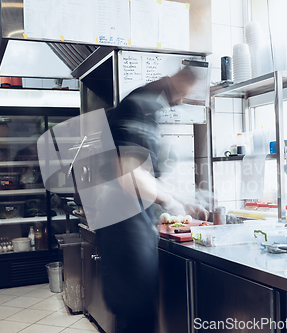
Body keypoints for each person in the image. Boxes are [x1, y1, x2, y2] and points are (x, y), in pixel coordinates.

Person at [95, 66, 209, 333]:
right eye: (186, 94)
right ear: (180, 80)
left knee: (134, 319)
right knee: (137, 322)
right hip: (127, 238)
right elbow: (131, 176)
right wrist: (172, 201)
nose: (181, 101)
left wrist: (183, 199)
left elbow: (144, 174)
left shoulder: (138, 105)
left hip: (123, 233)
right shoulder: (140, 107)